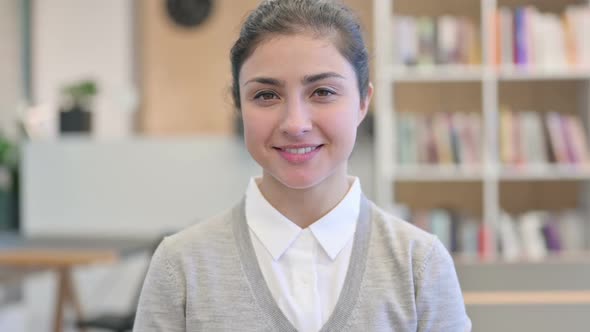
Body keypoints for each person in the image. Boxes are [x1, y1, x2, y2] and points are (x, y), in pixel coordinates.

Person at [133, 0, 472, 331]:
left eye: (322, 91)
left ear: (363, 102)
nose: (295, 123)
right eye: (266, 95)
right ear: (239, 105)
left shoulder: (419, 264)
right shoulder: (179, 265)